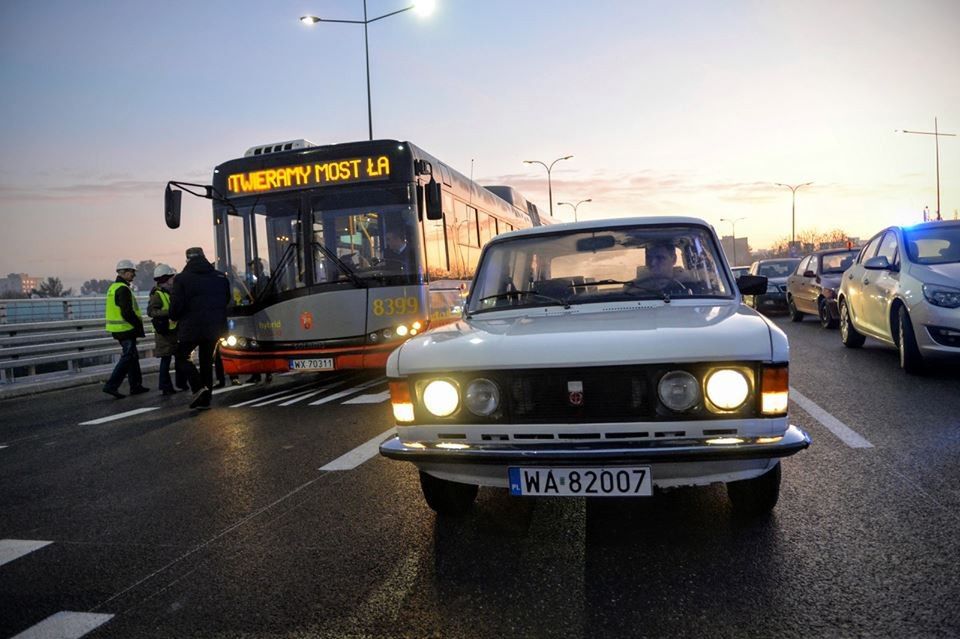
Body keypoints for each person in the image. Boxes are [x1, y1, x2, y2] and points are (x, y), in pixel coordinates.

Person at [170, 247, 231, 410]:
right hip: (215, 327)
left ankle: (198, 388)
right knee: (206, 361)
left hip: (191, 327)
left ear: (188, 260)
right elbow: (227, 299)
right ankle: (206, 399)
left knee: (182, 356)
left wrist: (174, 317)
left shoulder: (182, 279)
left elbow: (176, 305)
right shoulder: (220, 277)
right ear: (204, 257)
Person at [103, 259, 149, 398]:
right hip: (125, 328)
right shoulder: (122, 289)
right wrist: (137, 325)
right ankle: (111, 385)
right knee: (128, 357)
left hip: (119, 328)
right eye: (132, 272)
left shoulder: (114, 287)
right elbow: (127, 312)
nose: (134, 275)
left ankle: (136, 386)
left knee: (132, 357)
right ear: (124, 272)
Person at [147, 263, 186, 395]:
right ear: (164, 279)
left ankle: (180, 384)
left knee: (178, 358)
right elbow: (151, 312)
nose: (172, 280)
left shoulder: (168, 292)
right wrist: (169, 312)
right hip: (164, 333)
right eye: (170, 277)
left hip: (173, 332)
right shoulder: (157, 294)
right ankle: (165, 387)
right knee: (166, 360)